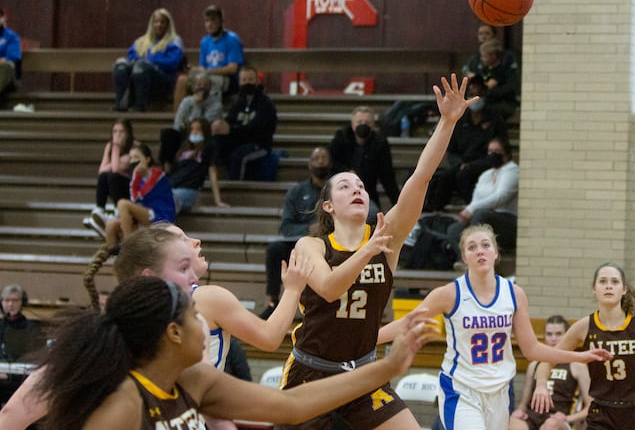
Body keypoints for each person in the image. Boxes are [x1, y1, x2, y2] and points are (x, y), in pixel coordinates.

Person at [274, 75, 485, 430]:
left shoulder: (385, 236)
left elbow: (420, 177)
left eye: (360, 186)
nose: (356, 189)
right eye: (345, 186)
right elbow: (328, 289)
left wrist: (447, 123)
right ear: (327, 205)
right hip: (312, 371)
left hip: (363, 372)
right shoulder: (311, 245)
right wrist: (366, 251)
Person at [0, 223, 312, 429]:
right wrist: (294, 290)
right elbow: (270, 342)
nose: (194, 243)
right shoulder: (203, 300)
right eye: (181, 242)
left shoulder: (168, 317)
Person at [28, 275, 437, 430]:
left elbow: (291, 405)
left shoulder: (194, 379)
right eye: (194, 316)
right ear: (172, 333)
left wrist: (389, 365)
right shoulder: (122, 405)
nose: (204, 326)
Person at [378, 225, 610, 430]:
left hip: (500, 392)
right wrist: (367, 341)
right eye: (472, 247)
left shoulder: (514, 294)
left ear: (496, 253)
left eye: (485, 245)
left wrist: (579, 356)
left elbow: (531, 350)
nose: (479, 250)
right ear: (464, 257)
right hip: (462, 391)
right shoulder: (449, 294)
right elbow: (406, 323)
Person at [531, 262, 635, 430]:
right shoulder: (584, 327)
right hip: (602, 412)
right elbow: (546, 362)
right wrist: (541, 385)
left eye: (614, 282)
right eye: (603, 281)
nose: (608, 286)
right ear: (594, 288)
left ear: (624, 289)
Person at [261, 146, 332, 319]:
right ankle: (272, 302)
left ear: (331, 164)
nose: (321, 161)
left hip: (330, 243)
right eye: (317, 158)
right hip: (300, 244)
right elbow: (286, 227)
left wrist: (325, 229)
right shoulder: (297, 192)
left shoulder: (336, 190)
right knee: (275, 249)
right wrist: (308, 230)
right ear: (309, 165)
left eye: (324, 157)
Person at [425, 75, 508, 212]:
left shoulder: (495, 120)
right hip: (461, 164)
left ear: (485, 95)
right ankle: (436, 212)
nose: (476, 98)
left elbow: (499, 150)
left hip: (486, 163)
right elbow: (451, 151)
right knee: (445, 177)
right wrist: (460, 164)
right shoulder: (460, 120)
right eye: (472, 94)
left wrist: (471, 165)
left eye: (479, 94)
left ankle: (473, 210)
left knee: (464, 175)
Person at [446, 137, 518, 269]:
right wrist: (468, 212)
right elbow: (476, 200)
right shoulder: (486, 174)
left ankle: (484, 262)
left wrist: (471, 209)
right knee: (454, 229)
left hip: (508, 223)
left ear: (506, 154)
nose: (493, 154)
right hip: (485, 218)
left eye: (497, 151)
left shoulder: (512, 171)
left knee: (480, 215)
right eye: (490, 151)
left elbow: (501, 197)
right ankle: (468, 262)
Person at [509, 315, 591, 430]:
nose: (553, 339)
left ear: (567, 335)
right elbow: (524, 402)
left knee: (550, 426)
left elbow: (590, 406)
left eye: (558, 334)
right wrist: (518, 412)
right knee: (513, 422)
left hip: (559, 419)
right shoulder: (534, 365)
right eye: (549, 334)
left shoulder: (577, 365)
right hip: (533, 417)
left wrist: (568, 418)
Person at [328, 106, 400, 213]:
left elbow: (387, 176)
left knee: (372, 214)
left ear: (373, 125)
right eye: (359, 122)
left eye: (367, 122)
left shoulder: (380, 143)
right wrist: (348, 172)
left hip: (367, 193)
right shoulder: (341, 137)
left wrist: (399, 204)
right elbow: (331, 161)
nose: (363, 125)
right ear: (352, 125)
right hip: (341, 193)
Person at [212, 65, 278, 180]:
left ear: (257, 81)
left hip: (259, 144)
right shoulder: (238, 101)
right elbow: (230, 119)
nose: (247, 83)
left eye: (250, 80)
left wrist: (231, 130)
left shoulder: (266, 103)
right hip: (240, 140)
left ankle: (237, 189)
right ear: (239, 82)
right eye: (244, 80)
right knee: (217, 144)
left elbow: (256, 129)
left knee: (238, 156)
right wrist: (221, 125)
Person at [112, 8, 184, 112]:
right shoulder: (141, 41)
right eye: (156, 22)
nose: (159, 25)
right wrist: (141, 61)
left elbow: (173, 62)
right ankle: (121, 104)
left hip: (163, 81)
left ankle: (139, 105)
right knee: (121, 65)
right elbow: (131, 57)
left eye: (162, 22)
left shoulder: (174, 41)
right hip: (139, 77)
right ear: (152, 24)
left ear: (168, 24)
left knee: (141, 65)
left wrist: (150, 61)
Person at [172, 4, 244, 109]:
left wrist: (207, 72)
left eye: (213, 20)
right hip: (207, 75)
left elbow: (232, 68)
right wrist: (195, 70)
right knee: (182, 80)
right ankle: (177, 119)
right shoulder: (205, 41)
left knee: (204, 82)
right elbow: (203, 67)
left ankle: (207, 115)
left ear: (221, 21)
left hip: (227, 79)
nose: (209, 24)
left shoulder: (232, 39)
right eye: (207, 21)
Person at [104, 144, 175, 246]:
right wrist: (136, 177)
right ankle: (117, 259)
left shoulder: (158, 174)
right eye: (131, 158)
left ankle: (128, 245)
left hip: (160, 216)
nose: (133, 161)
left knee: (122, 203)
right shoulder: (137, 178)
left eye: (136, 158)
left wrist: (136, 177)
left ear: (147, 159)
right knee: (111, 225)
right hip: (145, 215)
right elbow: (134, 198)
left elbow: (144, 193)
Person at [83, 118, 137, 239]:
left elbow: (116, 169)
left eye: (121, 132)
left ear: (128, 134)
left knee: (113, 176)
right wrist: (115, 155)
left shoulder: (135, 148)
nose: (117, 135)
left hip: (130, 190)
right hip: (115, 184)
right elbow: (102, 170)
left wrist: (116, 147)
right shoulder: (109, 146)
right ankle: (100, 211)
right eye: (115, 131)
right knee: (104, 177)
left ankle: (118, 212)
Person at [160, 72, 224, 173]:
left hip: (204, 136)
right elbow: (178, 123)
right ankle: (168, 167)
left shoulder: (216, 104)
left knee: (198, 133)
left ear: (209, 87)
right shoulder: (186, 101)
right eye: (198, 85)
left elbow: (201, 125)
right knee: (168, 134)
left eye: (205, 85)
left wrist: (197, 105)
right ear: (193, 87)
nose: (201, 88)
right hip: (186, 133)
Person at [168, 118, 228, 215]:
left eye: (198, 129)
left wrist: (218, 200)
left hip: (188, 190)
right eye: (192, 129)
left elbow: (213, 173)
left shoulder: (210, 146)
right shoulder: (184, 147)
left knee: (166, 200)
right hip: (172, 186)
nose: (194, 132)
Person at [0, 284, 45, 406]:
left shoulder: (32, 329)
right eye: (7, 300)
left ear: (22, 303)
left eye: (15, 300)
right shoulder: (1, 327)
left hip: (20, 380)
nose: (10, 305)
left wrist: (9, 374)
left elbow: (36, 359)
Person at [464, 38, 520, 121]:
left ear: (493, 56)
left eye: (484, 56)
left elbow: (510, 89)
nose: (482, 59)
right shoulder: (484, 69)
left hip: (503, 102)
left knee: (487, 111)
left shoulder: (504, 71)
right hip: (485, 101)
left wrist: (490, 89)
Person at [0, 8, 21, 100]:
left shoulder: (11, 36)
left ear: (3, 19)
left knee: (7, 66)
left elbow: (11, 59)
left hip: (8, 78)